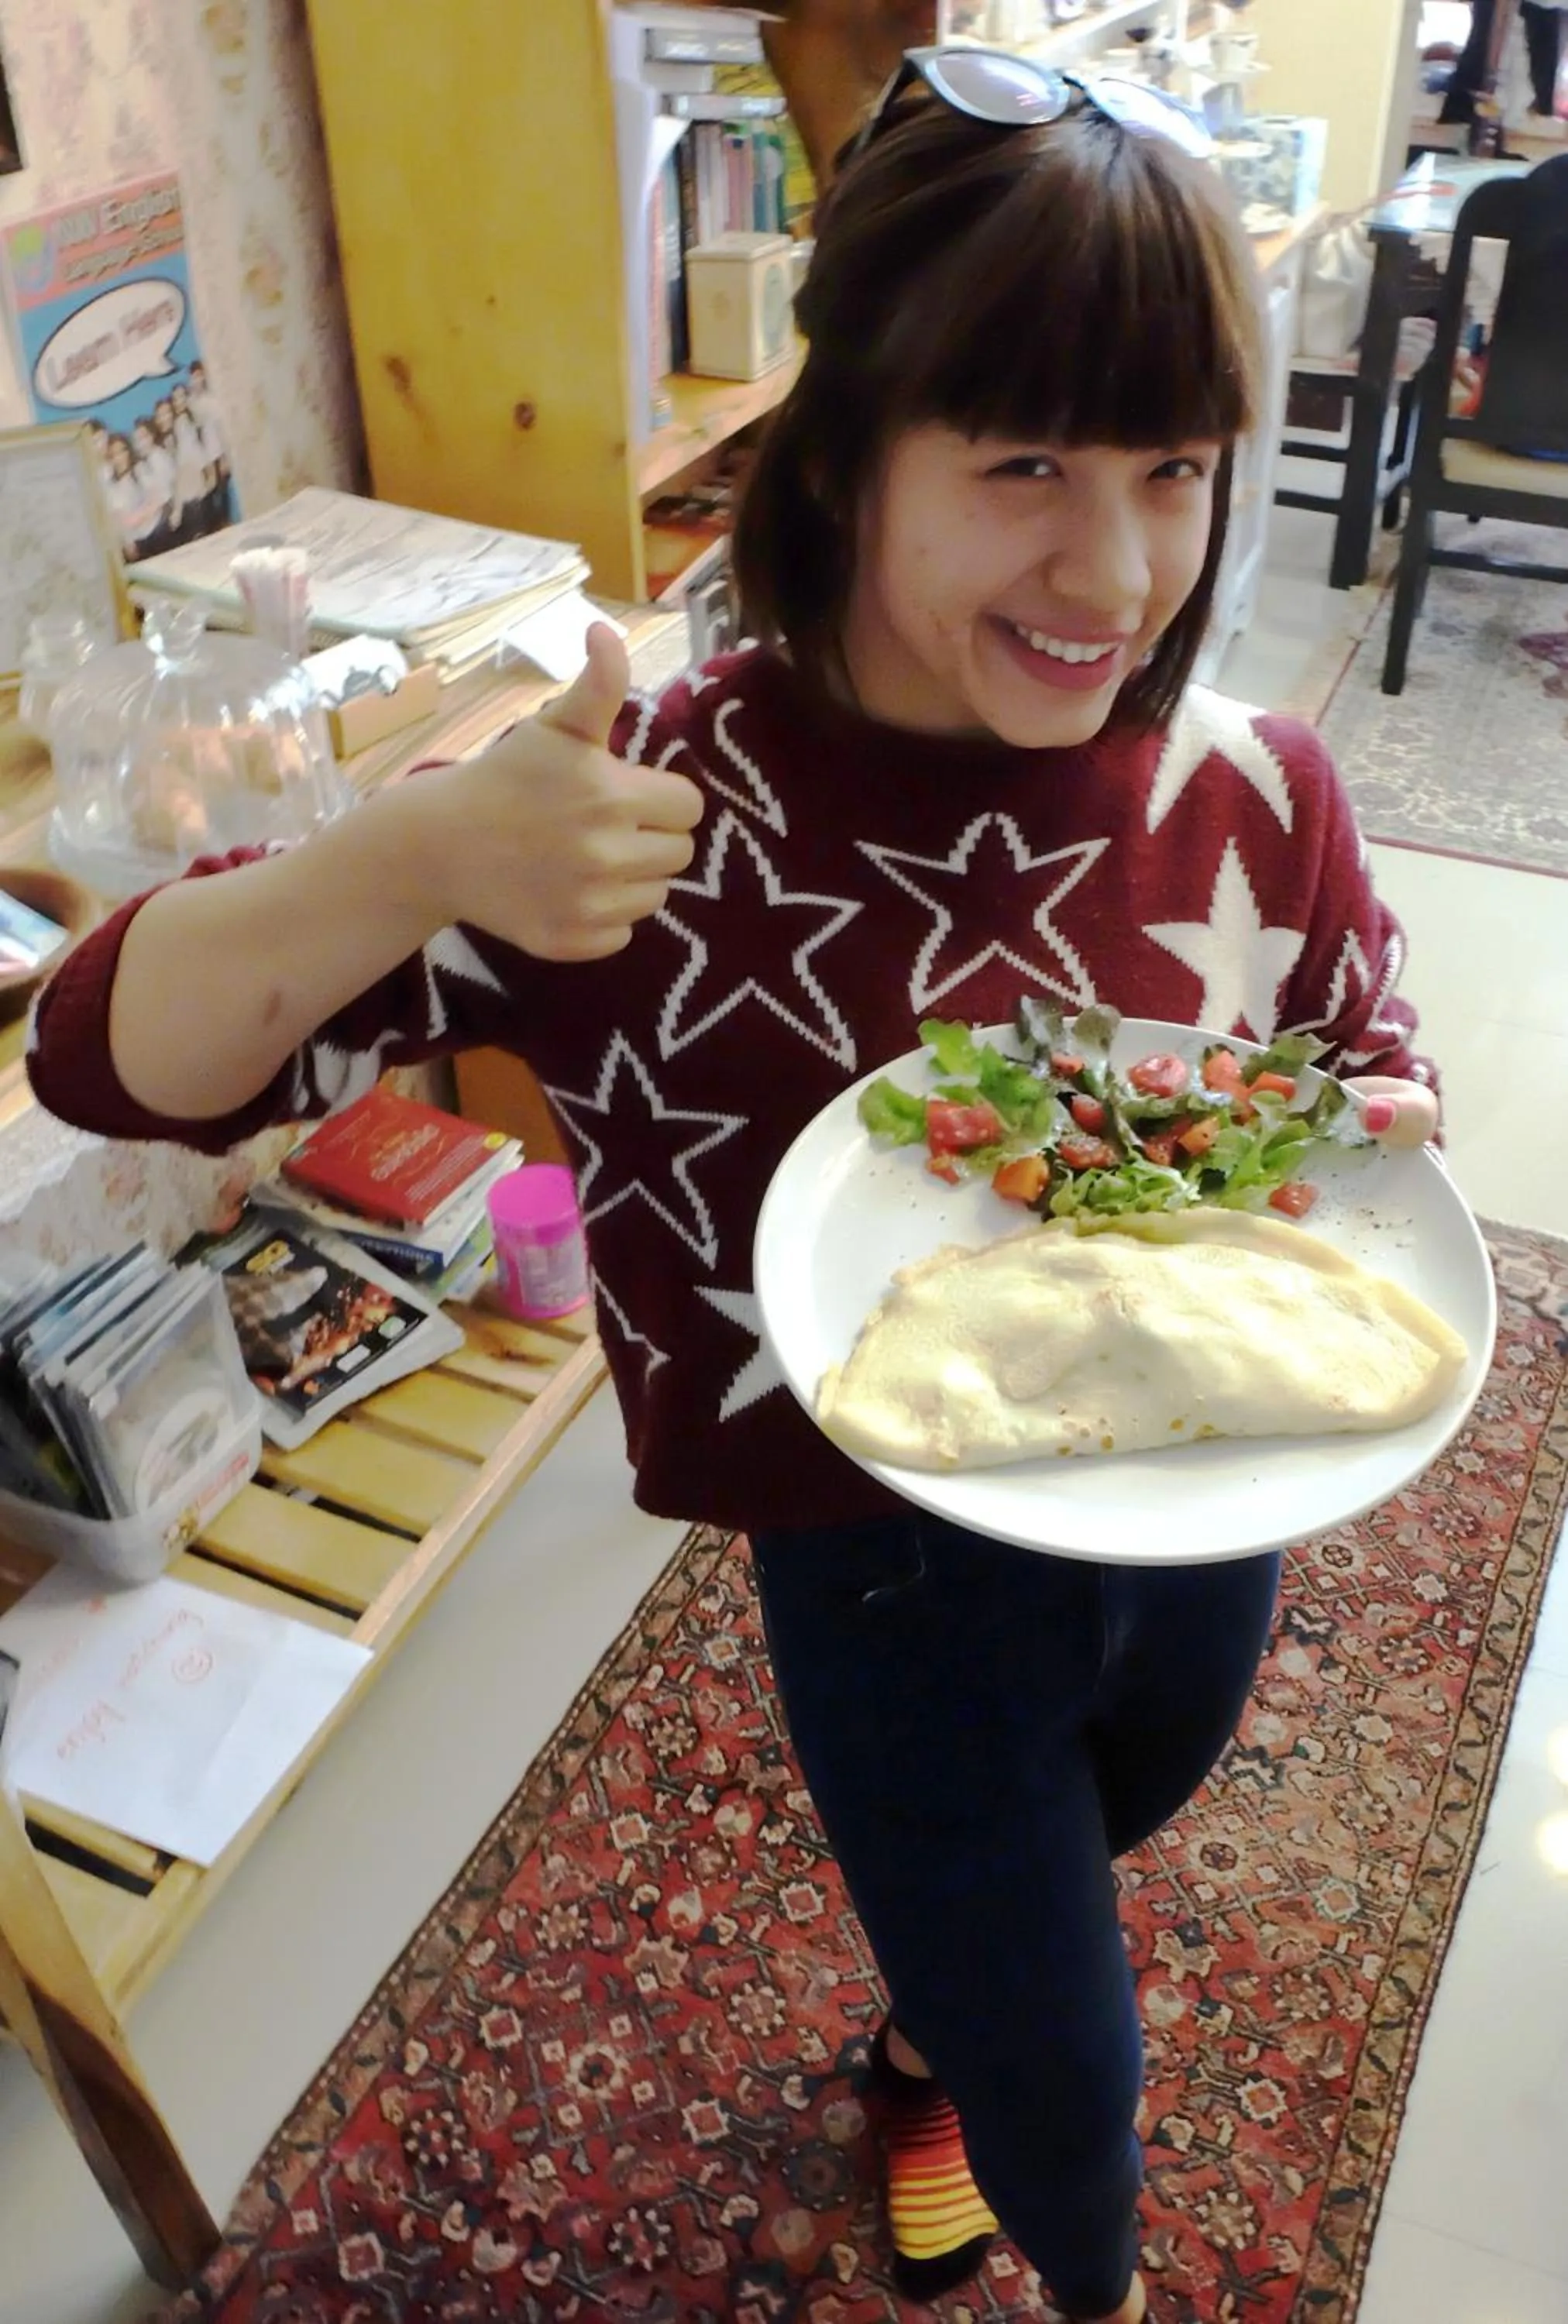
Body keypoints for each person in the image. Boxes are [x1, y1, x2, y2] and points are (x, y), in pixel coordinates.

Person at [29, 58, 1440, 2324]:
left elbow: (1356, 1044)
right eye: (1024, 467)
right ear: (849, 442)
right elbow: (108, 1054)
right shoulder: (633, 822)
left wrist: (1385, 1112)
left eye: (1173, 469)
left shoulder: (1249, 786)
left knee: (1111, 1819)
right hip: (876, 1565)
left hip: (1201, 1499)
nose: (1117, 570)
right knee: (1067, 2060)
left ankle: (923, 2034)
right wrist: (416, 852)